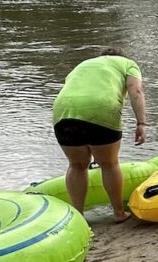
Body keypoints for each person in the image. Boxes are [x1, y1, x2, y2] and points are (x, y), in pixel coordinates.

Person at [52, 49, 147, 221]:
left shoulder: (83, 65)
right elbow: (136, 92)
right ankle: (118, 213)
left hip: (63, 111)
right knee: (109, 164)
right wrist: (141, 123)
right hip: (101, 109)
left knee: (76, 166)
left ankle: (78, 216)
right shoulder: (128, 64)